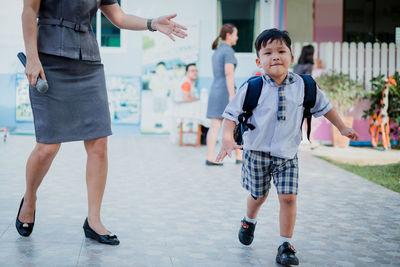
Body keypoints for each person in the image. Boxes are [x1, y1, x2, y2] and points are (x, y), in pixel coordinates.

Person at [18, 0, 187, 245]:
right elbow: (29, 10)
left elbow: (117, 16)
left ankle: (93, 220)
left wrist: (151, 23)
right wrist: (32, 58)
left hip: (88, 62)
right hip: (48, 60)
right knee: (48, 146)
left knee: (98, 144)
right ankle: (30, 198)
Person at [216, 29, 359, 265]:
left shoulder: (304, 86)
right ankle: (248, 221)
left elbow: (325, 107)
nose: (275, 57)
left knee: (289, 198)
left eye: (282, 51)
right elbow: (230, 114)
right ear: (258, 61)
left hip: (287, 155)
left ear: (291, 57)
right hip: (256, 153)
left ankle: (285, 245)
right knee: (258, 195)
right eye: (268, 52)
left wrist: (342, 127)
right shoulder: (252, 87)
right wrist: (227, 138)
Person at [206, 24, 242, 166]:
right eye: (235, 34)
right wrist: (232, 95)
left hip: (215, 89)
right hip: (224, 91)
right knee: (233, 123)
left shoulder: (218, 51)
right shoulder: (228, 51)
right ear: (228, 35)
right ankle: (238, 156)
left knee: (215, 125)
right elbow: (229, 73)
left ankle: (210, 157)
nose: (237, 37)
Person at [293, 45, 320, 149]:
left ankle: (308, 141)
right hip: (304, 96)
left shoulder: (297, 66)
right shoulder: (308, 66)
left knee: (299, 120)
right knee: (307, 119)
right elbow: (307, 81)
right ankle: (312, 141)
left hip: (296, 94)